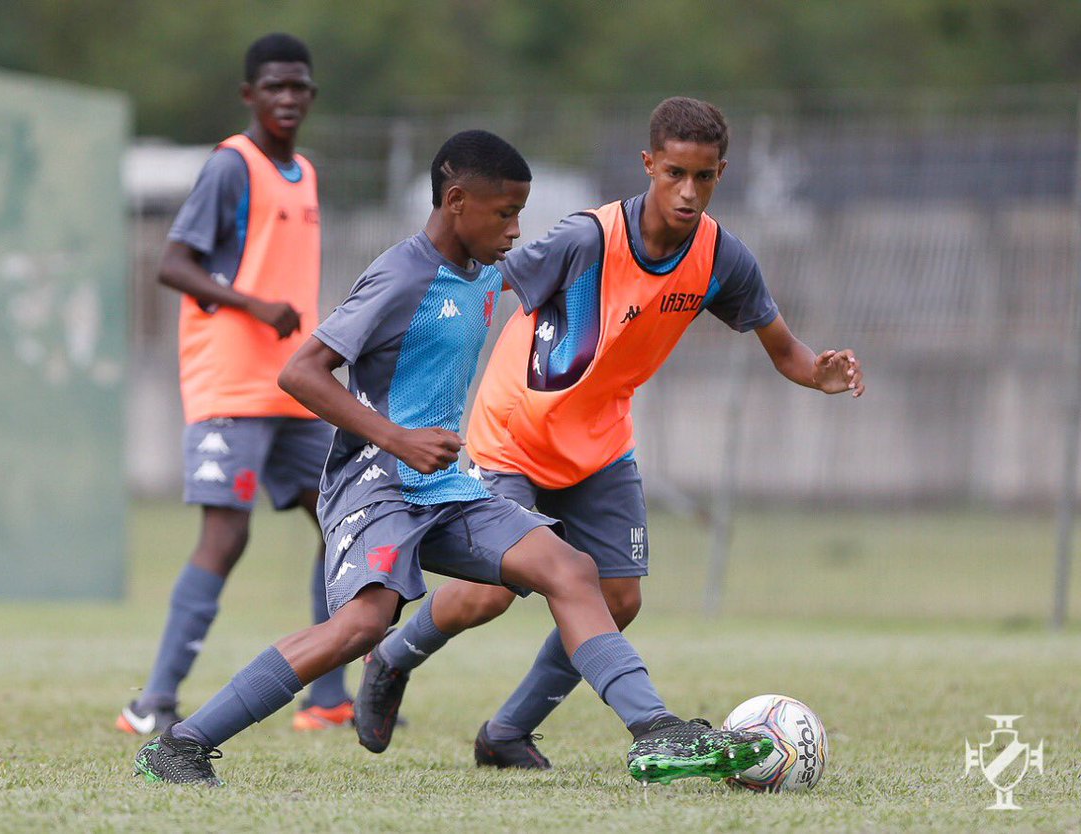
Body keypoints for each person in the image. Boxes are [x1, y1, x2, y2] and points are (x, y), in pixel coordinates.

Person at [132, 129, 772, 786]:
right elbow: (301, 372)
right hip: (375, 486)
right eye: (505, 214)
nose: (516, 230)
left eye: (520, 214)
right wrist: (396, 437)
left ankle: (656, 732)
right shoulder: (401, 276)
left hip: (443, 488)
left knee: (571, 570)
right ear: (457, 201)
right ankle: (180, 745)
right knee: (361, 626)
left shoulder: (485, 272)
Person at [353, 97, 864, 769]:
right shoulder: (586, 239)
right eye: (675, 173)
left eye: (703, 177)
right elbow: (484, 281)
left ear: (721, 174)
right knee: (490, 592)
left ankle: (505, 733)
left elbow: (785, 348)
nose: (688, 192)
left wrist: (817, 374)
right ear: (649, 165)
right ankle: (393, 655)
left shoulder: (721, 257)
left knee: (619, 599)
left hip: (600, 443)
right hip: (514, 433)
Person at [117, 33, 353, 738]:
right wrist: (253, 304)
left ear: (312, 95)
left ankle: (328, 698)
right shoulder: (231, 166)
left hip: (295, 387)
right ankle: (153, 701)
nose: (287, 97)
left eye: (299, 86)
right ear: (250, 95)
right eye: (274, 86)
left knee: (342, 521)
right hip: (230, 384)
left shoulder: (305, 174)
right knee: (226, 535)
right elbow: (174, 263)